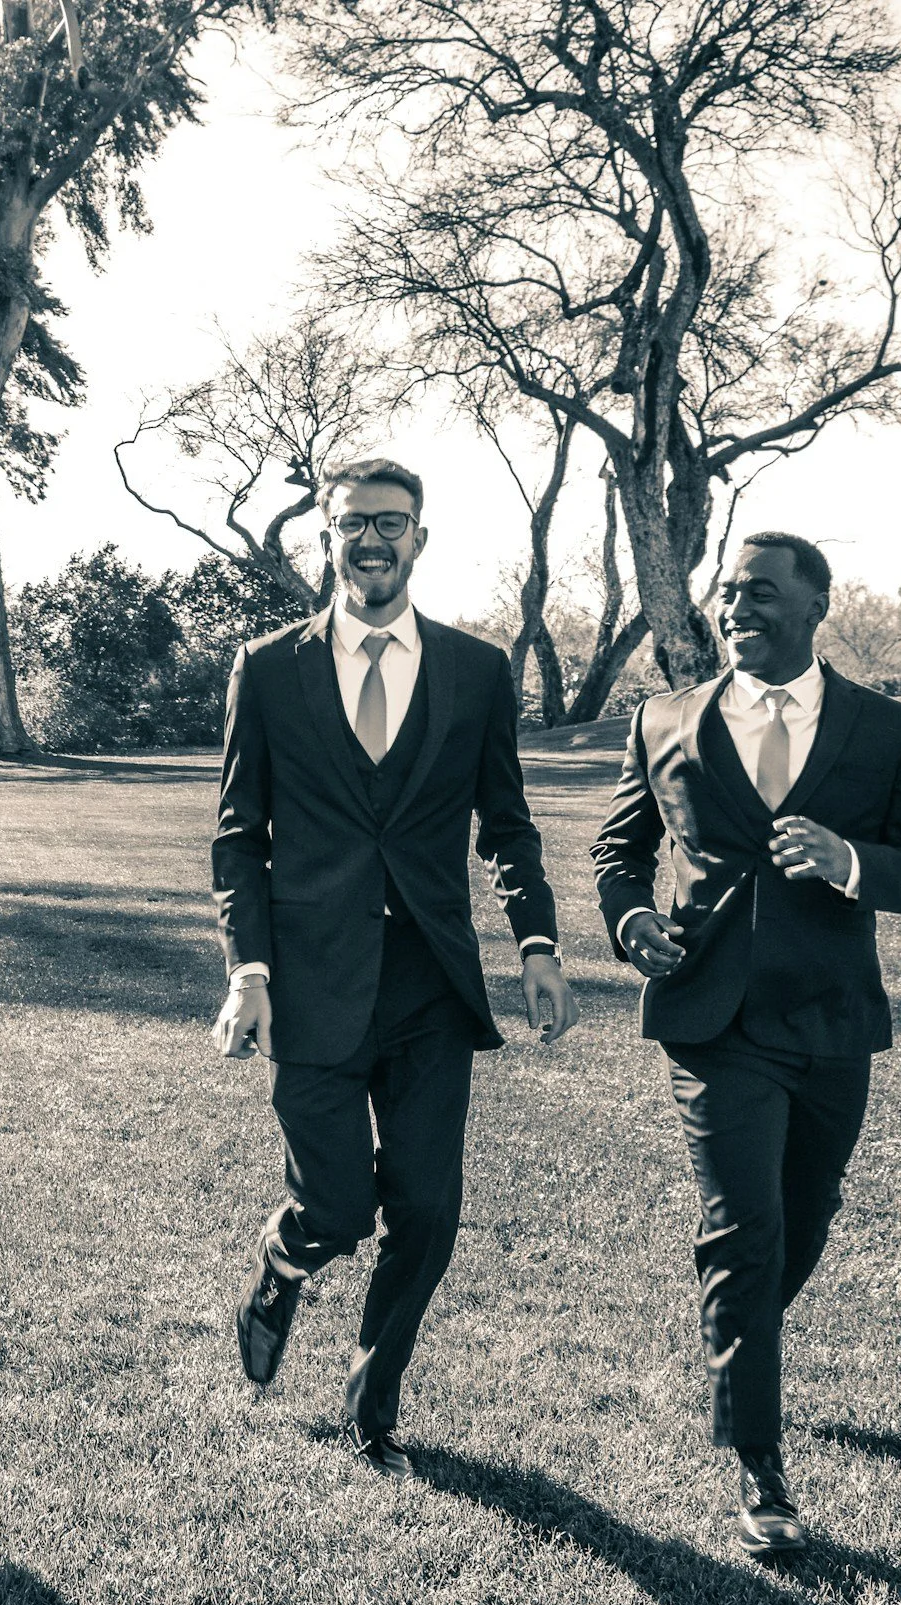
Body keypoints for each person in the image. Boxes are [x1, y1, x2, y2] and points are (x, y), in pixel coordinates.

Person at [591, 531, 901, 1557]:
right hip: (712, 1022)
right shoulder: (664, 717)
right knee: (744, 1231)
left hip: (833, 1016)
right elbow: (619, 849)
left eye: (758, 592)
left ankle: (736, 1329)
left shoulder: (885, 729)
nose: (734, 605)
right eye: (726, 592)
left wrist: (848, 861)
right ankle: (759, 1466)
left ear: (813, 606)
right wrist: (628, 922)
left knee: (804, 1217)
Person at [213, 458, 577, 1477]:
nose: (371, 540)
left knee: (426, 1208)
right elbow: (239, 835)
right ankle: (288, 1259)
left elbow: (505, 824)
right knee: (337, 1209)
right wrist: (247, 970)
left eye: (391, 522)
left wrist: (536, 943)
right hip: (307, 982)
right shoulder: (266, 666)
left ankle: (373, 1404)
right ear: (324, 538)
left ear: (420, 536)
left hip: (427, 982)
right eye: (351, 524)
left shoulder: (473, 670)